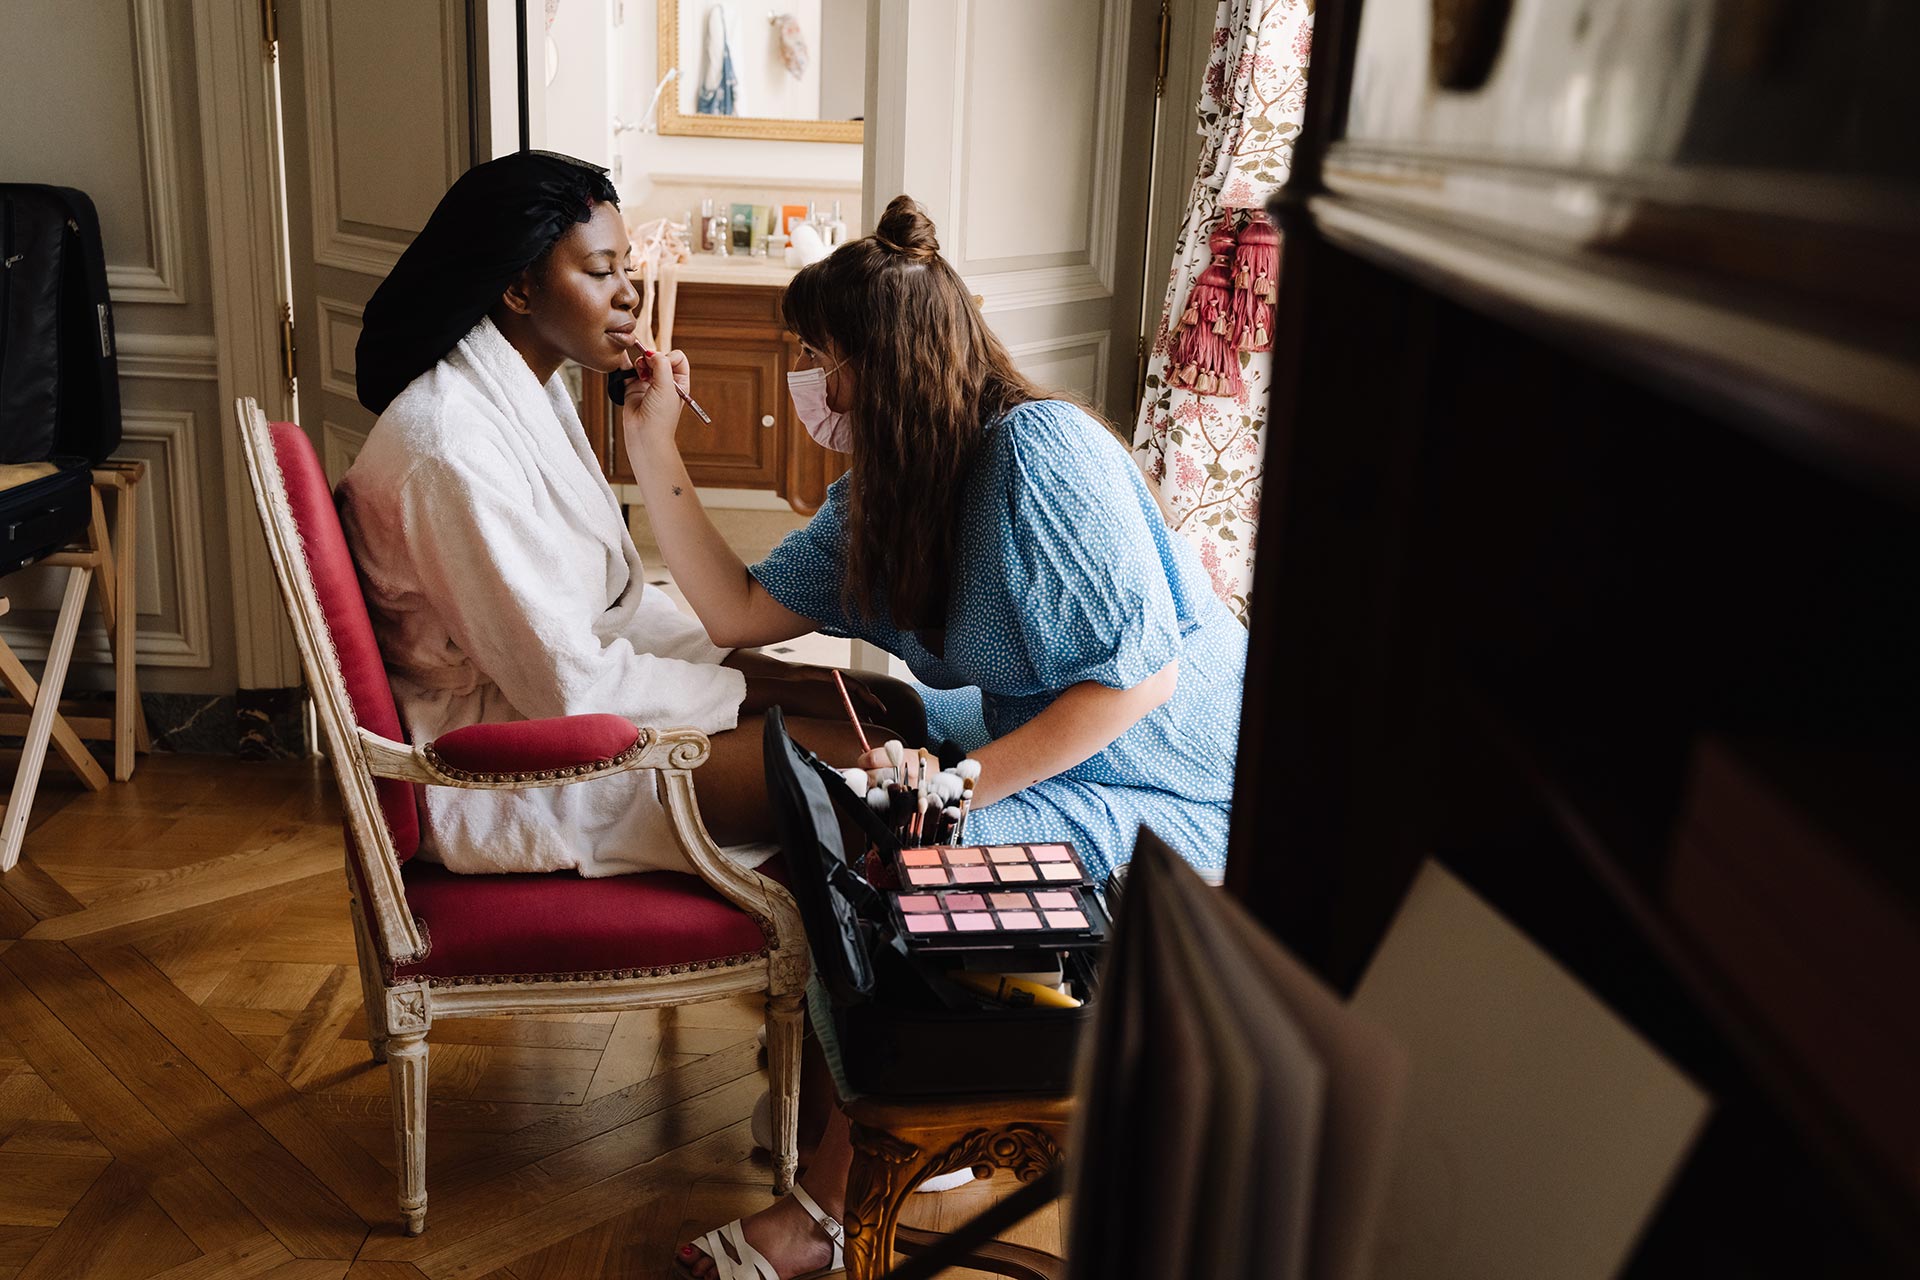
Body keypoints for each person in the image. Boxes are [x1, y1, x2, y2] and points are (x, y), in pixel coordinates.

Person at [627, 196, 1246, 1280]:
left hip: (1179, 769)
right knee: (866, 761)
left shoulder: (1039, 457)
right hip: (1055, 733)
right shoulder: (890, 496)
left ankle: (826, 1207)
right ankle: (898, 1101)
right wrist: (650, 445)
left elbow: (1139, 681)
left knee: (906, 847)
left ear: (882, 368)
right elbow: (734, 610)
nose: (809, 386)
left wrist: (955, 787)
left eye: (820, 359)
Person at [339, 150, 920, 878]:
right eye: (601, 270)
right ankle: (865, 973)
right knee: (869, 767)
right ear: (519, 288)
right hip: (511, 764)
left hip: (563, 705)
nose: (631, 295)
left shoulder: (530, 394)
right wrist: (762, 684)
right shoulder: (450, 449)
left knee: (897, 708)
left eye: (627, 267)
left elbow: (616, 608)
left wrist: (753, 669)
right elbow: (570, 687)